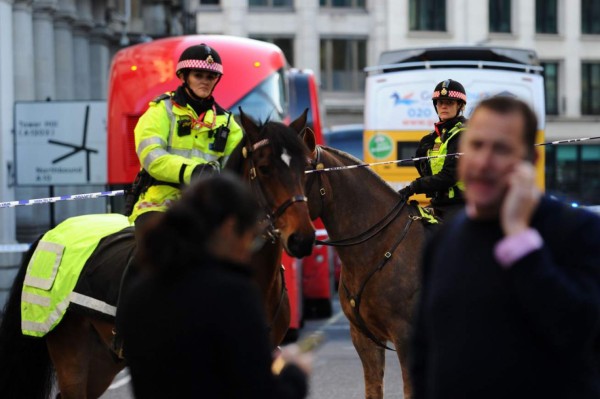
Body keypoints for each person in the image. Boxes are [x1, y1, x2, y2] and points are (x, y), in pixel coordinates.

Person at [409, 96, 600, 399]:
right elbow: (425, 351)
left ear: (530, 161)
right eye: (477, 145)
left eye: (501, 149)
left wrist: (520, 242)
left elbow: (579, 332)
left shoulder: (578, 232)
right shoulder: (445, 240)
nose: (484, 161)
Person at [119, 173, 311, 399]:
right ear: (229, 228)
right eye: (251, 237)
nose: (249, 249)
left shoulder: (139, 292)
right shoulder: (232, 294)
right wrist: (294, 373)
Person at [126, 43, 243, 234]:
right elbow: (151, 157)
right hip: (159, 204)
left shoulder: (229, 124)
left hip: (208, 208)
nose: (205, 81)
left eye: (211, 76)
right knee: (151, 257)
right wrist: (194, 171)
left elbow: (237, 169)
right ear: (183, 76)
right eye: (198, 75)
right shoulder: (161, 111)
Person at [398, 79, 467, 221]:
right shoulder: (433, 137)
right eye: (440, 102)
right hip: (439, 204)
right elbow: (426, 172)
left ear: (460, 105)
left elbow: (450, 176)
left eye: (449, 102)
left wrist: (413, 187)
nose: (444, 107)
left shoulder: (464, 134)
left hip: (461, 205)